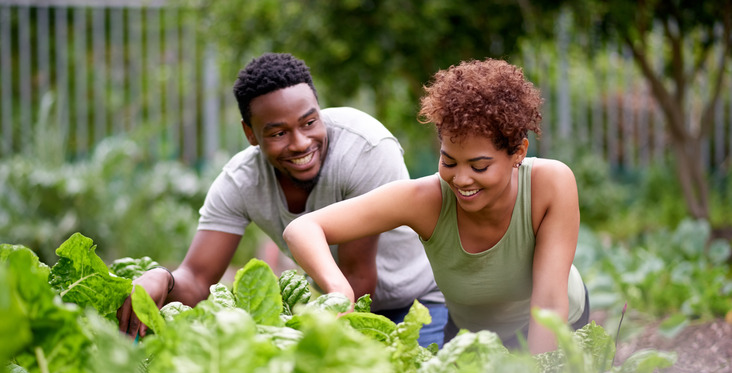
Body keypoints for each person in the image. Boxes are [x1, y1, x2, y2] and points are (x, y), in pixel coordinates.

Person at [117, 52, 447, 347]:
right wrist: (162, 277)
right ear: (251, 135)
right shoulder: (241, 181)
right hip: (337, 307)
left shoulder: (365, 148)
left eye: (309, 122)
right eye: (278, 133)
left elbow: (358, 281)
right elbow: (198, 279)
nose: (301, 143)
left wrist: (301, 345)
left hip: (422, 305)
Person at [283, 58, 589, 354]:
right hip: (474, 339)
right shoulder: (426, 200)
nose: (462, 179)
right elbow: (302, 229)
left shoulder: (550, 184)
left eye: (479, 166)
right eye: (449, 161)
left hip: (560, 330)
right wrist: (339, 289)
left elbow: (548, 306)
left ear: (518, 152)